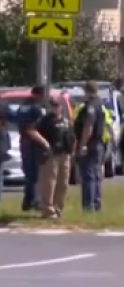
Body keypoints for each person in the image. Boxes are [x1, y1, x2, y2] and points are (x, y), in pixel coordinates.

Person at [36, 99, 75, 218]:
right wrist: (45, 146)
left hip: (65, 154)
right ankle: (48, 209)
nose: (55, 108)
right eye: (53, 106)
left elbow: (72, 135)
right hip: (51, 154)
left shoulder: (66, 121)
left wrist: (73, 150)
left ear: (61, 107)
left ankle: (58, 207)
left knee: (63, 182)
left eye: (57, 106)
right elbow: (35, 133)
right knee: (49, 182)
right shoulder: (45, 121)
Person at [74, 81, 106, 212]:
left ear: (87, 91)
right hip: (98, 143)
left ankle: (89, 206)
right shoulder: (100, 104)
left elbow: (88, 127)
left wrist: (82, 145)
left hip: (90, 144)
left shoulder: (91, 107)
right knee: (96, 176)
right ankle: (97, 204)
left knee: (88, 177)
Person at [17, 85, 48, 211]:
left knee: (28, 173)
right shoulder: (37, 108)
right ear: (40, 95)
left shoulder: (23, 106)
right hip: (34, 141)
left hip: (24, 140)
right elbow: (41, 123)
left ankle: (28, 200)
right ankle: (33, 201)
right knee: (35, 173)